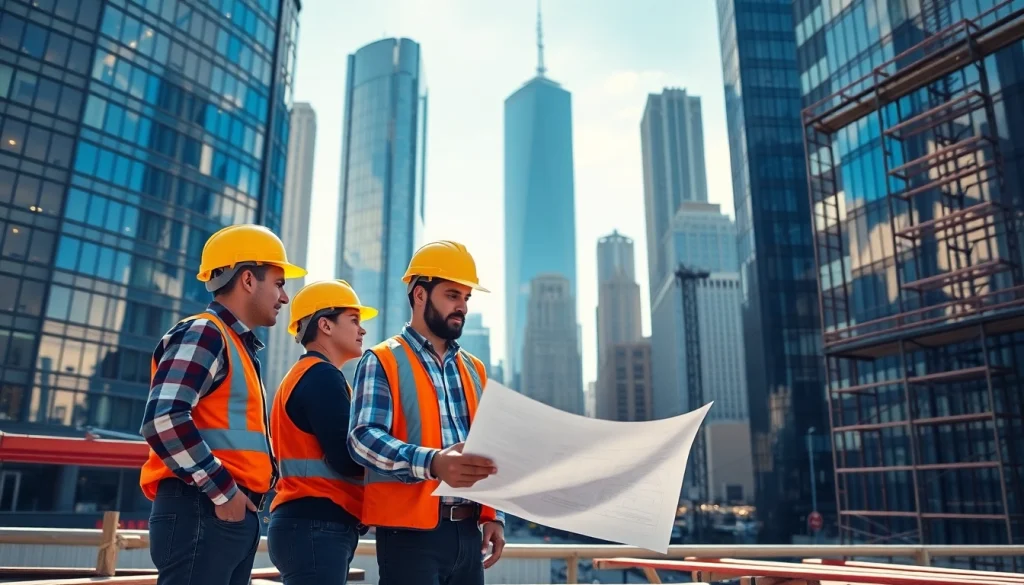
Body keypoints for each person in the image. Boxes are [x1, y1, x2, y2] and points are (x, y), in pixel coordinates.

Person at [139, 224, 305, 585]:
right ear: (248, 279)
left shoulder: (234, 344)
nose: (284, 297)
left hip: (220, 512)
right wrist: (224, 491)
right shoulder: (206, 332)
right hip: (204, 507)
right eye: (278, 283)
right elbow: (163, 418)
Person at [348, 240, 506, 585]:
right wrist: (433, 462)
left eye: (466, 298)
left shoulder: (474, 369)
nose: (461, 306)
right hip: (409, 536)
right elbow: (362, 438)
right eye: (452, 295)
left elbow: (487, 447)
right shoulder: (382, 360)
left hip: (468, 533)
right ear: (420, 295)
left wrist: (494, 514)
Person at [267, 279, 377, 585]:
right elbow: (348, 458)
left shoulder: (304, 375)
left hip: (307, 524)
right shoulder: (322, 376)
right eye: (354, 320)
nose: (362, 330)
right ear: (325, 325)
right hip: (316, 525)